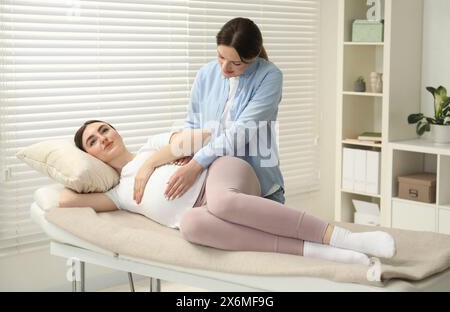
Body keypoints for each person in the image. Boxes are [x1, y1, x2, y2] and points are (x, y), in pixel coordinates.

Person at [60, 120, 397, 266]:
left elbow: (203, 136)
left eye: (104, 129)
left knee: (221, 201)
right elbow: (64, 199)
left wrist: (152, 164)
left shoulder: (151, 145)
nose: (102, 137)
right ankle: (319, 253)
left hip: (222, 175)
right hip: (203, 213)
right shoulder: (118, 194)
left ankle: (348, 239)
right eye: (93, 141)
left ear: (115, 130)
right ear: (90, 155)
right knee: (191, 226)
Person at [164, 17, 286, 204]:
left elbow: (241, 131)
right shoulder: (206, 73)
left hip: (261, 187)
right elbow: (192, 120)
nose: (224, 68)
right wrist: (187, 150)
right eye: (221, 56)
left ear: (253, 58)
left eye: (235, 63)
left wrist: (197, 163)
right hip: (214, 183)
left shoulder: (270, 76)